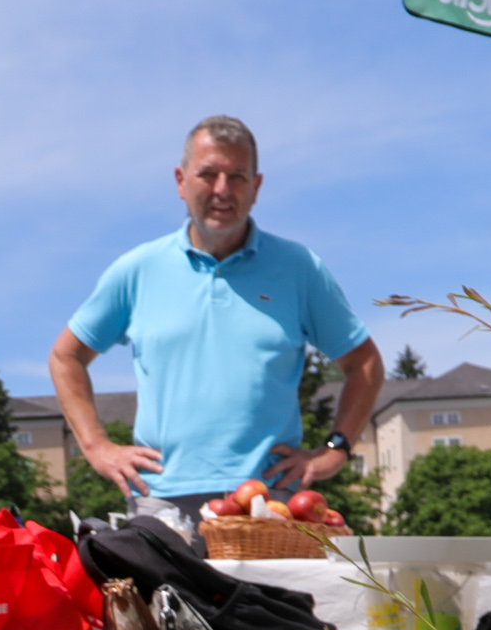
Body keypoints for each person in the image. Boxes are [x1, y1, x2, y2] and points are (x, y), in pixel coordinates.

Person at [48, 115, 384, 522]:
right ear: (181, 180)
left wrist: (335, 450)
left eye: (237, 176)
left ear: (256, 186)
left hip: (267, 504)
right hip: (161, 501)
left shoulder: (299, 269)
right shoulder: (137, 270)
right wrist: (96, 446)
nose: (222, 190)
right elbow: (66, 357)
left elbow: (364, 363)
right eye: (208, 174)